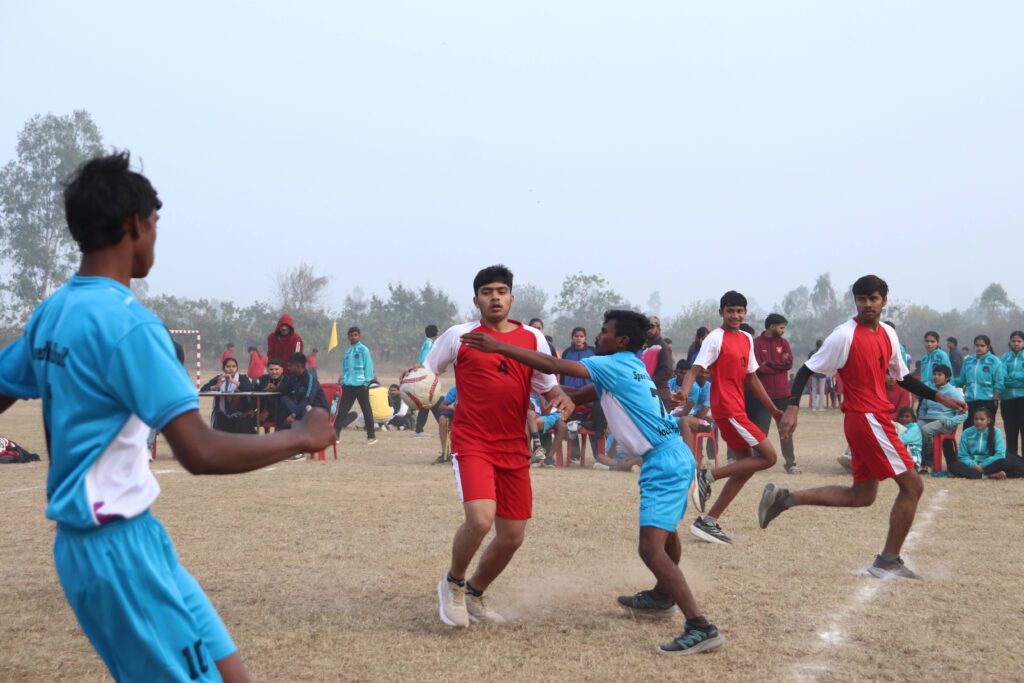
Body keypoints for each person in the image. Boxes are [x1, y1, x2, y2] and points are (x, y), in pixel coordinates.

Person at [0, 152, 333, 682]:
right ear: (135, 225)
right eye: (155, 223)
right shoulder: (131, 325)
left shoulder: (53, 312)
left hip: (132, 541)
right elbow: (199, 450)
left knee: (231, 674)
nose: (156, 237)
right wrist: (299, 436)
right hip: (115, 550)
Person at [462, 309, 725, 655]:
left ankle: (700, 626)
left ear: (621, 340)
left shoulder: (613, 363)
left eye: (604, 331)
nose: (598, 336)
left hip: (664, 462)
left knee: (650, 549)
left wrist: (498, 346)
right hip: (673, 456)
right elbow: (595, 391)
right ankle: (663, 595)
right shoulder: (628, 363)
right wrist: (570, 399)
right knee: (666, 534)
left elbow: (552, 365)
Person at [759, 275, 967, 580]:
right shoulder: (844, 335)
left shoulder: (888, 334)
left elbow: (902, 377)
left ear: (884, 300)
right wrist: (792, 407)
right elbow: (805, 370)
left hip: (869, 419)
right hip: (867, 418)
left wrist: (939, 397)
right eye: (861, 299)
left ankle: (785, 499)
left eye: (873, 298)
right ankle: (888, 561)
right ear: (855, 301)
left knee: (862, 495)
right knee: (913, 486)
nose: (867, 304)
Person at [424, 265, 572, 628]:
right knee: (480, 519)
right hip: (472, 441)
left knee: (512, 536)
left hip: (514, 445)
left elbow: (547, 383)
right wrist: (418, 390)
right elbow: (427, 373)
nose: (495, 298)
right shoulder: (459, 335)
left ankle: (474, 594)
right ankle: (453, 585)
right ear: (476, 300)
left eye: (501, 291)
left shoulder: (533, 338)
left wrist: (560, 395)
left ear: (512, 298)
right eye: (487, 292)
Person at [674, 291, 782, 545]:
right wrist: (685, 392)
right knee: (769, 457)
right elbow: (695, 370)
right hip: (727, 408)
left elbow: (752, 378)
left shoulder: (746, 338)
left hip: (737, 408)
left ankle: (708, 522)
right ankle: (706, 476)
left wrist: (774, 410)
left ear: (745, 313)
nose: (735, 315)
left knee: (745, 466)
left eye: (739, 311)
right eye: (730, 311)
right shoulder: (715, 338)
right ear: (721, 312)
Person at [753, 313, 799, 474]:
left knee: (785, 428)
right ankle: (758, 461)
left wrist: (770, 364)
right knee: (761, 430)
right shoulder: (757, 343)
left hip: (783, 393)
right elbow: (758, 368)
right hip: (764, 395)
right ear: (772, 326)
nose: (783, 331)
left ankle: (790, 463)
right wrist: (778, 365)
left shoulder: (783, 343)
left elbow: (789, 364)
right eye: (781, 327)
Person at [948, 407, 1024, 479]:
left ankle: (980, 474)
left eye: (982, 419)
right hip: (973, 465)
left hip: (990, 464)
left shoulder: (996, 432)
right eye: (976, 419)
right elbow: (962, 455)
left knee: (1005, 461)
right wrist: (974, 465)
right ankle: (985, 475)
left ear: (988, 420)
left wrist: (981, 465)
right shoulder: (967, 432)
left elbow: (1000, 454)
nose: (978, 421)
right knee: (952, 466)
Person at [916, 364, 967, 468]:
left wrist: (951, 422)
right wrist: (921, 417)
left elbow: (965, 412)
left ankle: (929, 461)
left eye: (939, 374)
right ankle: (917, 460)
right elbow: (923, 407)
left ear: (947, 378)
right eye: (934, 374)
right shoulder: (930, 390)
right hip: (928, 419)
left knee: (926, 430)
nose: (936, 377)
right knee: (914, 429)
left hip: (944, 422)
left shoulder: (953, 392)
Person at [335, 326, 377, 445]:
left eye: (355, 335)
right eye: (351, 335)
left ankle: (371, 436)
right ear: (348, 337)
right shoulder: (347, 352)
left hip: (361, 385)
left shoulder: (364, 350)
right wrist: (343, 380)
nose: (353, 337)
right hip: (348, 385)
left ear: (359, 336)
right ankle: (335, 435)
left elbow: (369, 367)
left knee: (366, 410)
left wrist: (366, 382)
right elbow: (345, 369)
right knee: (342, 410)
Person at [953, 334, 1005, 424]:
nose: (979, 348)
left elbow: (999, 382)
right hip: (970, 401)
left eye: (982, 346)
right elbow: (962, 380)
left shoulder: (994, 361)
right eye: (977, 345)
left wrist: (995, 399)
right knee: (968, 428)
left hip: (987, 401)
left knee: (986, 429)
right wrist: (947, 381)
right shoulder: (968, 361)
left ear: (988, 347)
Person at [200, 357, 256, 434]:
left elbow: (249, 388)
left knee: (242, 424)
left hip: (240, 412)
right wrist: (216, 386)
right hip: (222, 414)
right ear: (224, 368)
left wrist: (233, 381)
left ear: (237, 368)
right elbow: (203, 389)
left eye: (234, 366)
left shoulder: (242, 378)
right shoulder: (219, 378)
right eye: (228, 366)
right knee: (224, 422)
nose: (231, 369)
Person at [276, 352, 329, 431]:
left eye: (290, 366)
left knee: (306, 406)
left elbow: (308, 400)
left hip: (317, 410)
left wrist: (293, 415)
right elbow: (285, 389)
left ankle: (301, 422)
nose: (288, 368)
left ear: (298, 366)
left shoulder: (310, 378)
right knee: (284, 399)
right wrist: (275, 388)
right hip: (302, 410)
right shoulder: (293, 378)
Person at [414, 325, 443, 437]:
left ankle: (419, 429)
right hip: (427, 377)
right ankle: (444, 426)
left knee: (429, 402)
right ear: (436, 333)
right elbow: (424, 360)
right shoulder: (429, 344)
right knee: (433, 400)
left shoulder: (427, 342)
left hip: (426, 376)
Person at [999, 331, 1024, 457]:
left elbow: (1008, 377)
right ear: (1010, 342)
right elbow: (1002, 377)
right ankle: (1012, 461)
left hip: (1022, 399)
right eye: (1013, 341)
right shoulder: (1004, 357)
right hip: (1007, 399)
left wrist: (1012, 375)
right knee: (1010, 432)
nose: (1016, 344)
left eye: (1019, 341)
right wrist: (1019, 380)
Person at [646, 316, 674, 405]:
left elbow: (667, 370)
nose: (649, 330)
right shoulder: (646, 346)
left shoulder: (663, 347)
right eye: (646, 327)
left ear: (658, 328)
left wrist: (649, 381)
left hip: (659, 393)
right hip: (647, 391)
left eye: (652, 327)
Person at [253, 357, 286, 429]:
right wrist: (264, 390)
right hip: (262, 411)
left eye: (276, 369)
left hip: (280, 412)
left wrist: (276, 389)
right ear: (267, 370)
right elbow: (254, 394)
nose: (274, 372)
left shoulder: (287, 380)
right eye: (271, 369)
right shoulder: (262, 379)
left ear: (282, 370)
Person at [807, 340, 826, 410]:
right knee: (821, 391)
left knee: (814, 390)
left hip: (814, 373)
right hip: (822, 373)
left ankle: (814, 407)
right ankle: (821, 407)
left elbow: (808, 361)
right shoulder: (824, 352)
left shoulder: (812, 352)